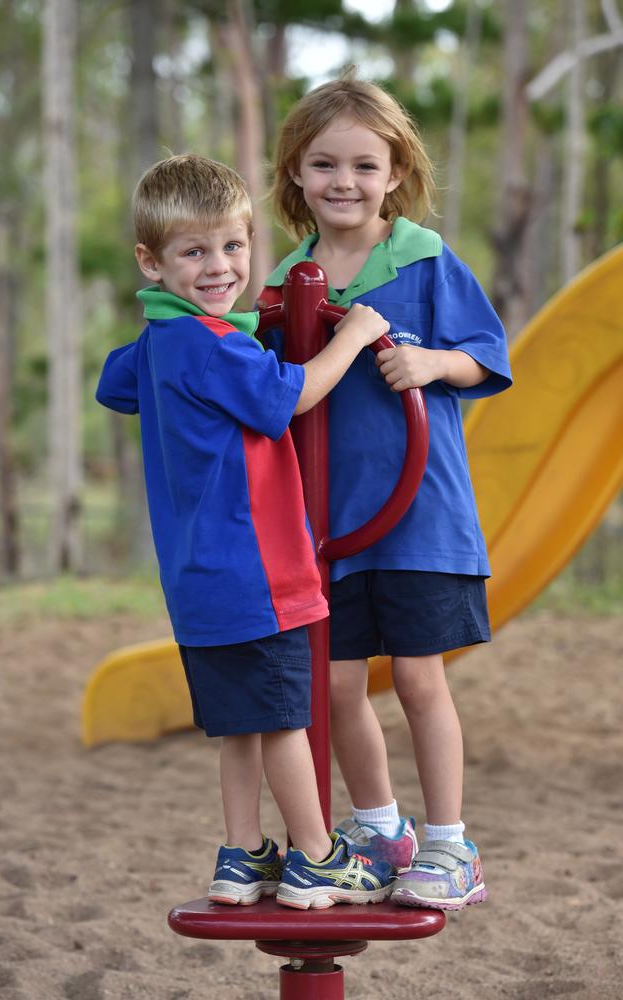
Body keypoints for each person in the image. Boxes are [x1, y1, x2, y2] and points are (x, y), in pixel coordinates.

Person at [95, 153, 395, 911]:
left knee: (241, 726)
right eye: (194, 252)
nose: (220, 266)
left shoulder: (164, 342)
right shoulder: (216, 346)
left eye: (233, 246)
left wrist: (209, 321)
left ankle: (241, 855)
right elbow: (290, 400)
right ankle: (319, 858)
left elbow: (113, 381)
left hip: (197, 583)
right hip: (259, 574)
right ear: (151, 261)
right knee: (287, 721)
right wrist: (353, 334)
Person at [259, 72, 512, 911]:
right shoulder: (286, 282)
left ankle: (450, 848)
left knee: (415, 675)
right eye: (324, 163)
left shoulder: (426, 260)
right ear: (296, 171)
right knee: (333, 685)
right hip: (328, 525)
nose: (344, 182)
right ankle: (381, 831)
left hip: (420, 516)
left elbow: (486, 355)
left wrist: (434, 363)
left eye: (365, 166)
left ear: (396, 172)